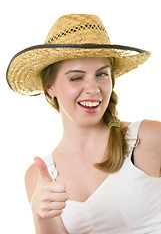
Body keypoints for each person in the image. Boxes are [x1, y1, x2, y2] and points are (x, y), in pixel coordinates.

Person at [6, 14, 161, 234]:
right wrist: (40, 215)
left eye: (101, 74)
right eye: (76, 77)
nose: (93, 89)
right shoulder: (39, 177)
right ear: (50, 86)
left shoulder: (148, 139)